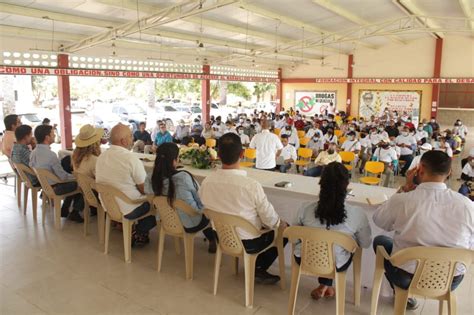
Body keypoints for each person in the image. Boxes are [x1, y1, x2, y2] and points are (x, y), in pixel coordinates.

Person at [372, 151, 474, 310]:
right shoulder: (467, 205)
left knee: (381, 241)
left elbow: (380, 220)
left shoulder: (404, 200)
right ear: (449, 173)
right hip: (450, 278)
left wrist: (405, 189)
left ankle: (401, 293)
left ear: (419, 170)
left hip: (406, 276)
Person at [200, 133, 288, 284]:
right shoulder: (251, 186)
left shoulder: (207, 182)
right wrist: (280, 224)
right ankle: (258, 267)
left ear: (218, 155)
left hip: (222, 238)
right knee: (284, 229)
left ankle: (256, 267)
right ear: (242, 154)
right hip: (249, 243)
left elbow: (205, 208)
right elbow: (271, 220)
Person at [295, 162, 371, 298]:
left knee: (328, 244)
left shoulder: (305, 208)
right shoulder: (357, 213)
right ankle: (326, 285)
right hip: (336, 264)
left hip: (304, 259)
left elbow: (293, 238)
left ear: (321, 183)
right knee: (342, 246)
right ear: (347, 185)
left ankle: (325, 285)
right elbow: (365, 243)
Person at [145, 142, 217, 253]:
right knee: (209, 208)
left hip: (167, 221)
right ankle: (214, 239)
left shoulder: (151, 177)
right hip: (190, 224)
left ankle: (212, 239)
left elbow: (151, 198)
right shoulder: (183, 177)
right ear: (175, 160)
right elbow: (200, 201)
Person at [96, 123, 156, 246]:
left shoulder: (101, 157)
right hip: (128, 208)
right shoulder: (130, 158)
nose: (132, 138)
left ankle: (134, 230)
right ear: (123, 141)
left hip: (109, 206)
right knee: (157, 205)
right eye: (130, 136)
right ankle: (138, 232)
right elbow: (144, 189)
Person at [30, 125, 84, 222]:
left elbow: (32, 166)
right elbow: (63, 177)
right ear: (47, 137)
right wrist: (76, 177)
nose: (54, 135)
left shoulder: (33, 152)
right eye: (52, 133)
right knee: (82, 184)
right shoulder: (51, 155)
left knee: (71, 177)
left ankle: (65, 208)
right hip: (55, 188)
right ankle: (75, 211)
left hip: (45, 186)